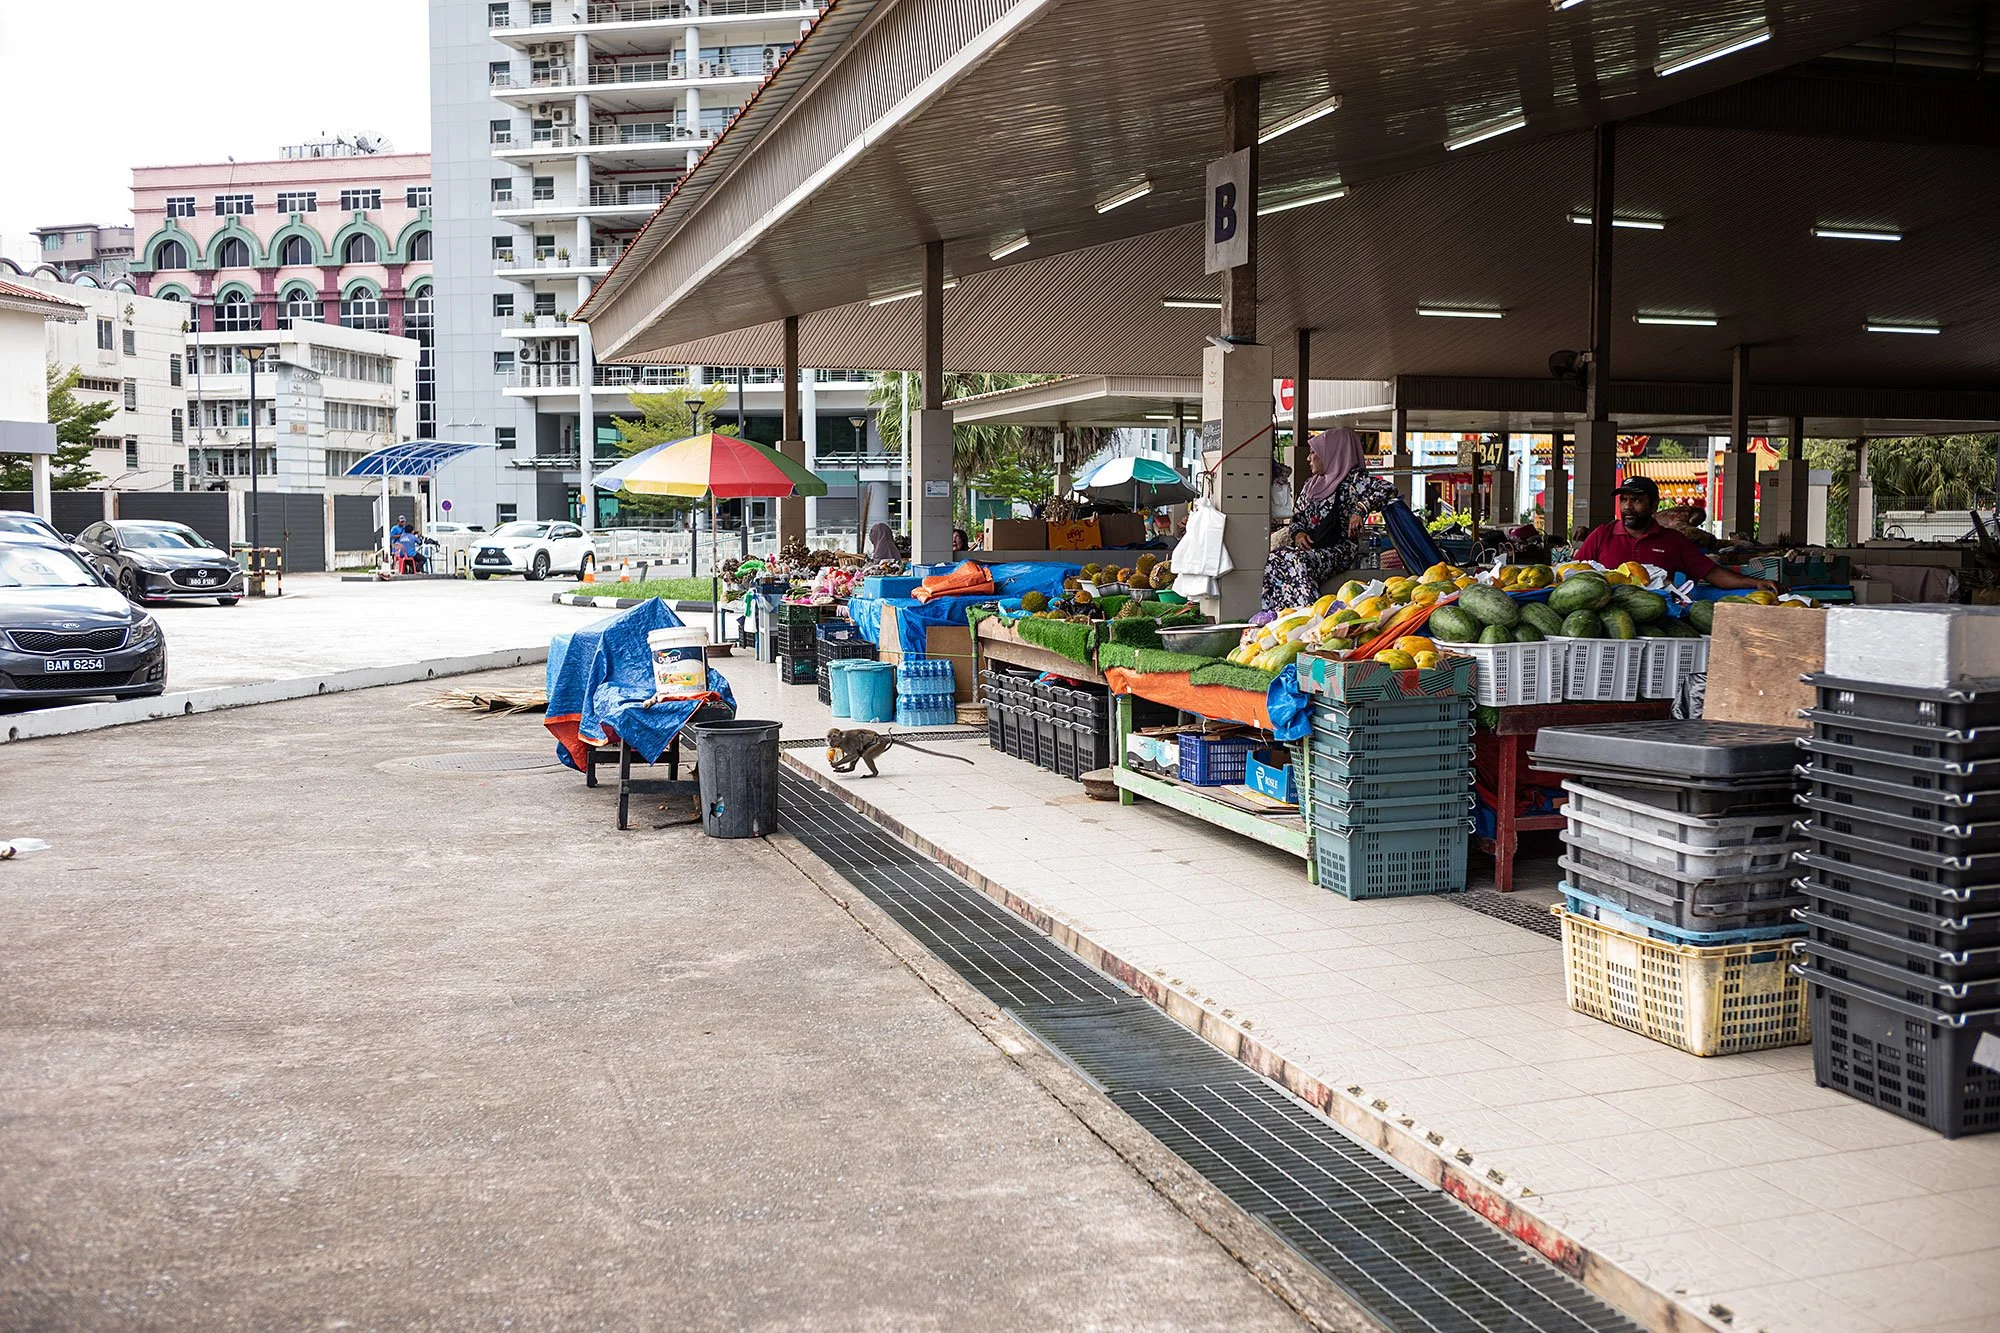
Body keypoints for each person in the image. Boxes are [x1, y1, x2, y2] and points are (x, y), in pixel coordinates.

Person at [1261, 428, 1396, 612]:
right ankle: (1278, 615)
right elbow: (1298, 518)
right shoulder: (1311, 485)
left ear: (1331, 453)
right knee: (1276, 557)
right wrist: (1299, 533)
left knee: (1297, 560)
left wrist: (1360, 510)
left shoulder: (1354, 480)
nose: (1309, 458)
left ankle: (1310, 614)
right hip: (1313, 547)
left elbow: (1387, 489)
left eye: (1313, 453)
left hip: (1339, 549)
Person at [1574, 477, 1776, 592]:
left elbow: (1711, 573)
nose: (1627, 507)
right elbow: (1572, 573)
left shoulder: (1673, 541)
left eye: (1636, 500)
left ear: (1654, 505)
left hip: (1657, 623)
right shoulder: (1602, 535)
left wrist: (1755, 583)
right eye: (1624, 500)